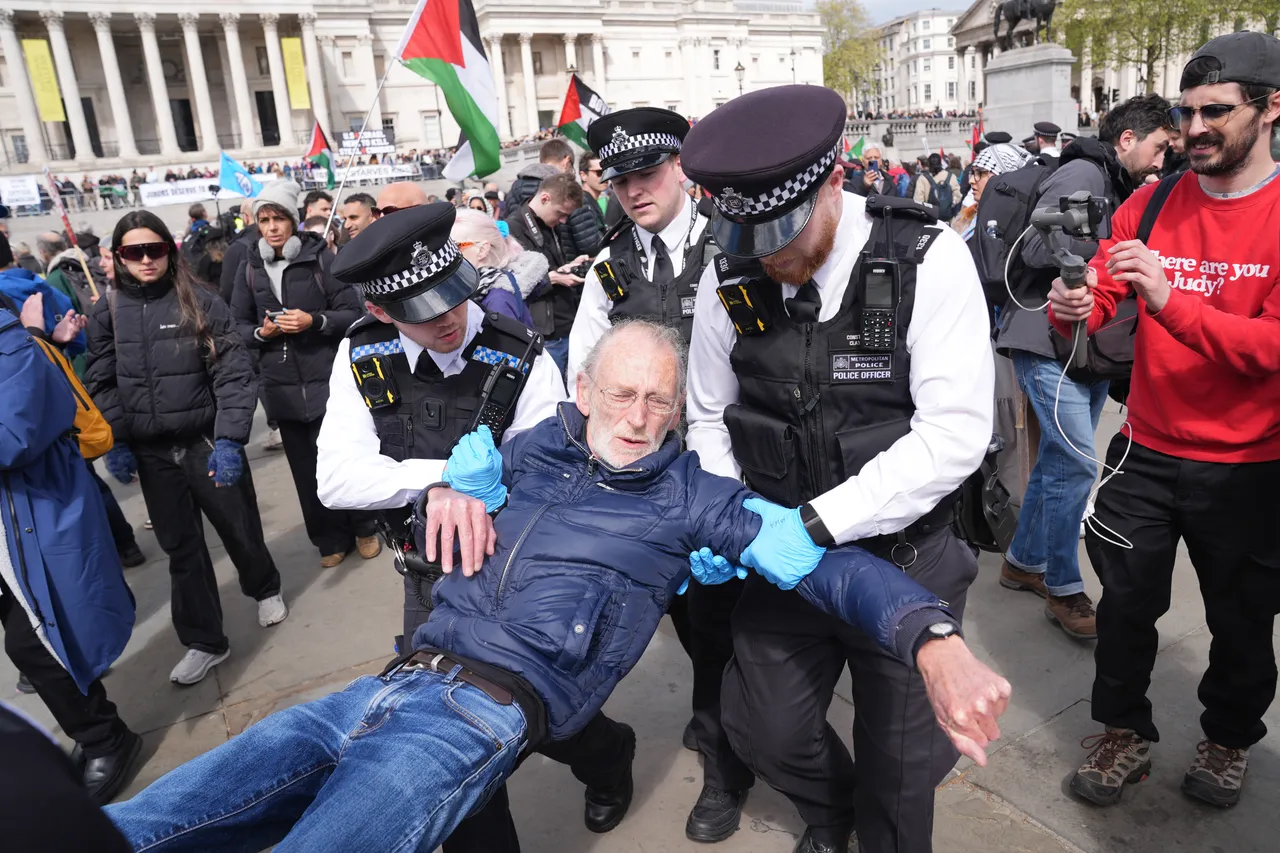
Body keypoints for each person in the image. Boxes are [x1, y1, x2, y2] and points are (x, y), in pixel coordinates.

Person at [106, 318, 1012, 853]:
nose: (638, 418)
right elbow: (428, 494)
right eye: (619, 394)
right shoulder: (527, 449)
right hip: (379, 686)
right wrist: (447, 486)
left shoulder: (694, 499)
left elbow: (830, 564)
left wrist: (929, 636)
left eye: (658, 402)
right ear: (580, 388)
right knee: (138, 822)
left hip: (476, 719)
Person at [682, 84, 995, 853]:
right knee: (763, 729)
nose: (767, 256)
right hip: (777, 558)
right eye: (747, 235)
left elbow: (953, 433)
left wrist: (818, 523)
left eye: (782, 234)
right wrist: (731, 517)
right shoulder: (730, 274)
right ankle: (832, 810)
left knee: (901, 776)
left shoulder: (927, 259)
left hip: (902, 555)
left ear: (833, 182)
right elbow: (708, 413)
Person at [1049, 31, 1280, 810]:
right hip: (1143, 450)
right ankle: (1123, 732)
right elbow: (1108, 283)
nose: (1195, 129)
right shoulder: (1152, 200)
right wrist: (1078, 301)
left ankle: (1227, 738)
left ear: (1273, 107)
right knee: (1123, 610)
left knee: (1242, 621)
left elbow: (1269, 349)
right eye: (1186, 112)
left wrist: (1171, 301)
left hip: (1250, 463)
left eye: (1217, 110)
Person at [318, 203, 567, 853]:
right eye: (421, 312)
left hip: (517, 568)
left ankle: (605, 754)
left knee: (554, 714)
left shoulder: (519, 355)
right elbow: (336, 479)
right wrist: (443, 477)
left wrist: (498, 481)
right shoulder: (363, 355)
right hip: (428, 578)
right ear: (379, 311)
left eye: (451, 296)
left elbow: (552, 476)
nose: (448, 319)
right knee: (451, 738)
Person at [567, 108, 745, 841]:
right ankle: (605, 756)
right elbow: (584, 369)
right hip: (639, 474)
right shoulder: (609, 265)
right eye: (619, 178)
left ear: (681, 168)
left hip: (722, 463)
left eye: (646, 173)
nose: (634, 189)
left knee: (717, 628)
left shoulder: (733, 244)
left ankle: (725, 762)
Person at [994, 93, 1171, 639]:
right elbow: (1035, 250)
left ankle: (1023, 563)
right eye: (1160, 147)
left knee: (1057, 462)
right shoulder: (1086, 174)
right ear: (1127, 140)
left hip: (1080, 349)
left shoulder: (1111, 180)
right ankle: (1065, 589)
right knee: (1075, 467)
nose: (1164, 160)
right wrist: (1104, 253)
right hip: (1049, 340)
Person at [84, 211, 285, 687]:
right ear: (119, 257)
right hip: (154, 452)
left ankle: (264, 587)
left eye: (155, 249)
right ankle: (204, 641)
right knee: (181, 549)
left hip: (205, 439)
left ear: (170, 252)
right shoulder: (105, 310)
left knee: (238, 525)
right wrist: (119, 440)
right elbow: (102, 380)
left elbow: (233, 373)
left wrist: (232, 439)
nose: (147, 259)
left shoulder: (201, 299)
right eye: (134, 252)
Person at [0, 304, 140, 805]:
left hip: (34, 519)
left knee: (37, 641)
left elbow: (12, 440)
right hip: (11, 526)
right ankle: (93, 733)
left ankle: (107, 738)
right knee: (35, 640)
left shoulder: (14, 347)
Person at [230, 181, 380, 569]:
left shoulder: (319, 259)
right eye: (264, 219)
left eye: (279, 218)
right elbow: (236, 326)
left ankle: (364, 526)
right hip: (281, 388)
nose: (272, 227)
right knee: (305, 470)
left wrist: (314, 320)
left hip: (327, 379)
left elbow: (352, 311)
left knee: (345, 456)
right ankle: (328, 537)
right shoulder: (249, 266)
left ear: (292, 221)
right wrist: (263, 332)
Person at [505, 172, 590, 376]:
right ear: (545, 198)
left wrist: (567, 267)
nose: (563, 221)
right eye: (561, 213)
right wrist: (553, 278)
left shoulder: (550, 223)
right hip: (546, 333)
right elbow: (512, 283)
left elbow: (548, 265)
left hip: (566, 323)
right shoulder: (514, 227)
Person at [451, 207, 537, 325]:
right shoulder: (481, 288)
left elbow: (505, 343)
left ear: (482, 250)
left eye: (455, 246)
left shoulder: (497, 299)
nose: (447, 254)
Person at [952, 143, 1034, 241]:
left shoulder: (1014, 224)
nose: (971, 181)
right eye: (973, 173)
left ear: (1004, 177)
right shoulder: (971, 213)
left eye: (980, 173)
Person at [913, 152, 962, 219]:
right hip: (947, 218)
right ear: (941, 163)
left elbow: (918, 200)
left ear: (928, 164)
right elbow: (958, 196)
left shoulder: (922, 179)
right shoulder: (951, 176)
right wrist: (949, 206)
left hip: (930, 217)